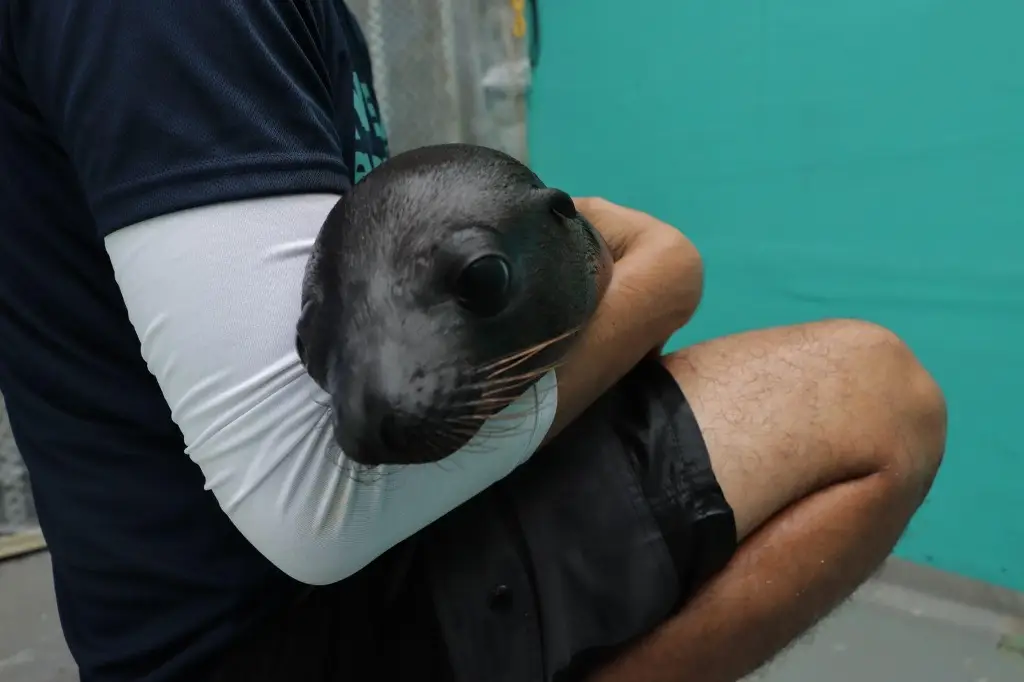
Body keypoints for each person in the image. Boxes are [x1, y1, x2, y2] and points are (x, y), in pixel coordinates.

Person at [0, 2, 946, 682]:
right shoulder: (171, 22)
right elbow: (315, 507)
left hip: (246, 606)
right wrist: (661, 281)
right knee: (873, 395)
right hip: (262, 634)